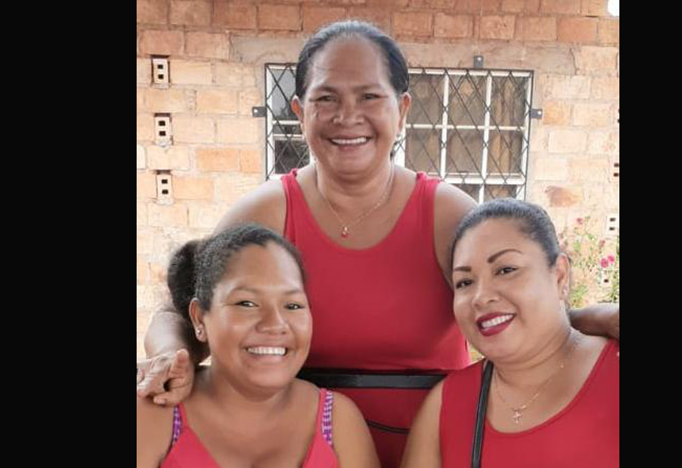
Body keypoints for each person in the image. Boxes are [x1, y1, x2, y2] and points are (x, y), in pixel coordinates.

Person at [136, 20, 620, 468]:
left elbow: (511, 303)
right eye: (326, 99)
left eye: (369, 96)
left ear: (402, 109)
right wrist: (169, 358)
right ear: (300, 112)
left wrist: (598, 317)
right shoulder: (264, 214)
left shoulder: (447, 215)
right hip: (302, 448)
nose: (348, 116)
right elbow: (186, 309)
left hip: (440, 445)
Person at [136, 223, 380, 467]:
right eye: (247, 303)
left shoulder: (338, 422)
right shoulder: (155, 412)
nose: (275, 324)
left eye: (293, 305)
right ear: (199, 318)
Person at [401, 199, 618, 467]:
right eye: (465, 282)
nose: (481, 297)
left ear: (560, 276)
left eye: (506, 270)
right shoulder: (446, 405)